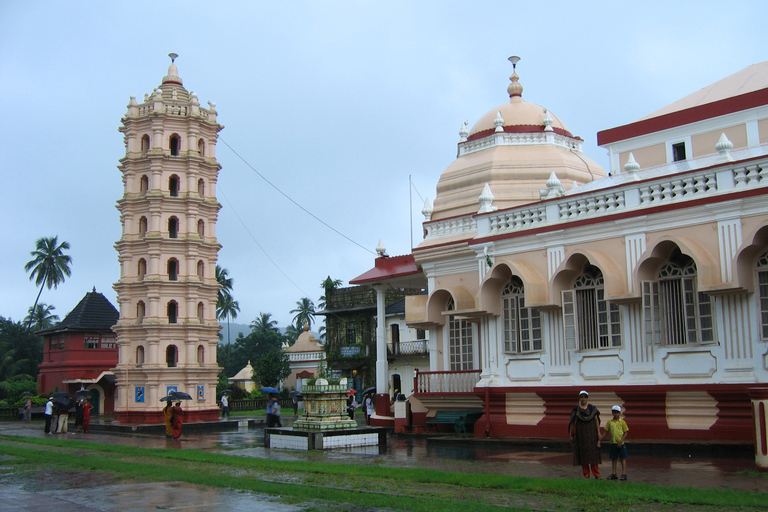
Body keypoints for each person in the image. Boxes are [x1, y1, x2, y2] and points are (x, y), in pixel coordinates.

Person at [568, 390, 602, 479]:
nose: (583, 399)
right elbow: (572, 422)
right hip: (581, 435)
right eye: (581, 397)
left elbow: (596, 421)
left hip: (592, 434)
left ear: (587, 398)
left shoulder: (592, 408)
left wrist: (598, 433)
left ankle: (596, 473)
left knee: (593, 455)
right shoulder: (576, 409)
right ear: (579, 399)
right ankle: (586, 474)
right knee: (583, 455)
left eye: (585, 397)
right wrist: (571, 434)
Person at [602, 405, 629, 481]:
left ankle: (624, 473)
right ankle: (614, 473)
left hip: (621, 443)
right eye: (614, 412)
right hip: (613, 443)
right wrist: (601, 438)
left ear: (620, 413)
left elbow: (626, 432)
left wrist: (621, 441)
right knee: (614, 458)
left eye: (617, 412)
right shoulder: (610, 422)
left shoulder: (622, 422)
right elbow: (606, 431)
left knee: (622, 458)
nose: (615, 414)